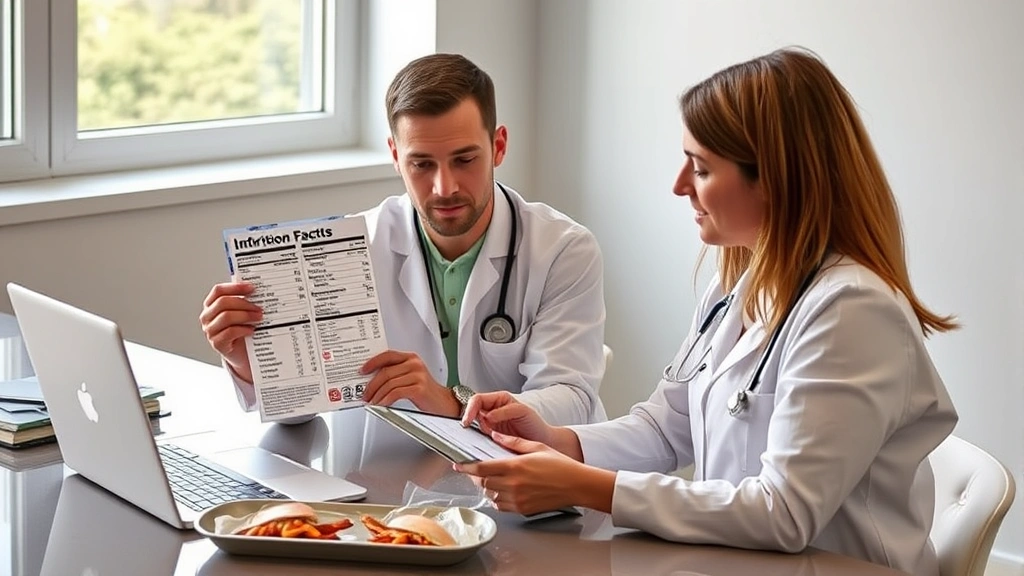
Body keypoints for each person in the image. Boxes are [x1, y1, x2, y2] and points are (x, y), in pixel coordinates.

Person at [457, 47, 958, 576]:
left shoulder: (851, 309)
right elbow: (667, 428)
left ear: (775, 178)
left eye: (700, 168)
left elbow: (785, 514)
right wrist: (557, 442)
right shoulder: (737, 287)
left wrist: (586, 487)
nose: (679, 186)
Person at [199, 53, 607, 425]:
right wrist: (248, 363)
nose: (444, 187)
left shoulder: (563, 250)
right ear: (395, 156)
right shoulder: (350, 248)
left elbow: (571, 403)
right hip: (393, 473)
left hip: (523, 473)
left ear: (498, 146)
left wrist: (450, 403)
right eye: (422, 164)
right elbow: (303, 411)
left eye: (464, 160)